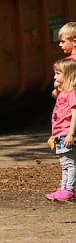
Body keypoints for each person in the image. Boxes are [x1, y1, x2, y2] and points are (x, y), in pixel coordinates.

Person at [46, 58, 76, 201]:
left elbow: (74, 115)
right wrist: (54, 135)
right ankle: (63, 188)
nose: (54, 77)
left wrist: (70, 133)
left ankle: (69, 189)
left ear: (68, 75)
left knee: (69, 163)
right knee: (64, 163)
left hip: (66, 134)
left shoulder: (72, 94)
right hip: (60, 134)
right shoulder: (63, 93)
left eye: (58, 73)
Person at [52, 22, 76, 98]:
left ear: (74, 42)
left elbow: (59, 84)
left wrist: (56, 90)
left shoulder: (69, 62)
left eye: (63, 42)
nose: (60, 44)